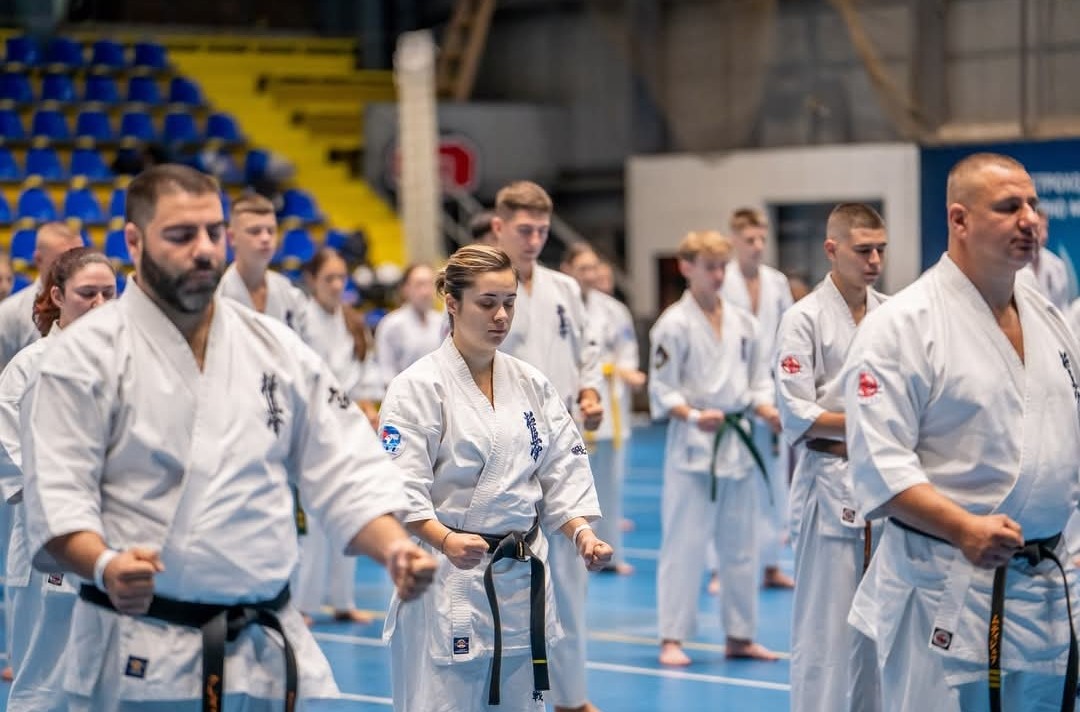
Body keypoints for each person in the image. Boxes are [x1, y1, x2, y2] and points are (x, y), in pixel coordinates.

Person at [19, 164, 436, 711]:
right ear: (133, 240)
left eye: (214, 232)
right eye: (181, 235)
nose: (204, 249)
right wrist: (103, 564)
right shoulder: (82, 358)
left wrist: (395, 548)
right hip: (140, 651)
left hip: (262, 647)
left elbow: (345, 467)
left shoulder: (275, 347)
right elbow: (55, 499)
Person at [843, 153, 1080, 710]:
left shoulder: (1050, 317)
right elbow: (880, 464)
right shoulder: (902, 326)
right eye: (1008, 206)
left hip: (1043, 587)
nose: (1030, 219)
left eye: (1033, 205)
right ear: (959, 220)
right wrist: (965, 528)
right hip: (943, 585)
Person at [380, 244, 612, 712]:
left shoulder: (531, 382)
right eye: (488, 303)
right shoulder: (417, 388)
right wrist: (444, 539)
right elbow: (399, 488)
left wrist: (582, 533)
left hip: (521, 573)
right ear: (453, 302)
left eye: (509, 302)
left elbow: (561, 466)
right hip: (452, 576)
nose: (501, 315)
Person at [492, 180, 604, 712]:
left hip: (562, 443)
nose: (534, 239)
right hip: (507, 451)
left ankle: (571, 696)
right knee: (516, 584)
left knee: (572, 578)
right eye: (524, 229)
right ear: (498, 227)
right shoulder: (485, 292)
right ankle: (518, 695)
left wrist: (590, 391)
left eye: (541, 229)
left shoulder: (563, 289)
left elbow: (588, 352)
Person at [649, 229, 781, 666]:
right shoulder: (673, 323)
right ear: (687, 268)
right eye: (711, 267)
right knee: (684, 543)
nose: (720, 275)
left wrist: (765, 407)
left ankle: (740, 635)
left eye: (723, 266)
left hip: (738, 443)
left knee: (741, 545)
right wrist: (689, 414)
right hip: (693, 445)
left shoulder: (745, 323)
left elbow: (760, 378)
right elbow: (662, 390)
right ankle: (672, 636)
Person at [775, 204, 887, 712]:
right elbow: (797, 412)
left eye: (880, 249)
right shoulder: (803, 320)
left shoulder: (893, 315)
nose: (875, 260)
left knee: (879, 625)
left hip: (884, 486)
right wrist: (870, 426)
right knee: (825, 628)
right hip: (827, 484)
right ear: (832, 249)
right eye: (863, 250)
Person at [0, 247, 116, 711]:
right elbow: (6, 448)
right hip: (47, 542)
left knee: (108, 681)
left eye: (109, 293)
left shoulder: (126, 365)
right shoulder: (28, 367)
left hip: (114, 543)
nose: (101, 304)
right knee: (43, 681)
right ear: (58, 295)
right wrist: (63, 503)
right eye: (88, 294)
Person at [292, 247, 385, 624]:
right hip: (313, 429)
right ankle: (304, 604)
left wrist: (369, 406)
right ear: (312, 281)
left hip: (350, 429)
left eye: (341, 278)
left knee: (351, 513)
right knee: (314, 523)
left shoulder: (352, 323)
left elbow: (366, 374)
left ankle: (344, 601)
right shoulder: (300, 320)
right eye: (328, 278)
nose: (336, 285)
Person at [714, 207, 794, 592]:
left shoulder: (777, 282)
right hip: (733, 394)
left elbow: (790, 336)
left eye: (763, 238)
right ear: (734, 241)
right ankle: (719, 569)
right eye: (750, 240)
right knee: (729, 483)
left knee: (773, 483)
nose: (758, 246)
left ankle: (770, 564)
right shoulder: (720, 281)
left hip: (773, 392)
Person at [561, 243, 644, 575]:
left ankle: (610, 553)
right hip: (570, 407)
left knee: (608, 485)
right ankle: (572, 556)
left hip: (607, 403)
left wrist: (623, 369)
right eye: (583, 268)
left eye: (594, 267)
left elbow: (627, 350)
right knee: (571, 486)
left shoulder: (613, 310)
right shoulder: (559, 306)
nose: (591, 274)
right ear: (567, 270)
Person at [217, 192, 309, 339]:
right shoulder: (218, 298)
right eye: (255, 231)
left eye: (271, 231)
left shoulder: (289, 292)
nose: (266, 238)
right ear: (231, 238)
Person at [0, 222, 83, 369]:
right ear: (38, 260)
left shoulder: (93, 308)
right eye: (62, 259)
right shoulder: (9, 313)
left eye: (80, 258)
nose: (73, 267)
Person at [374, 262, 446, 387]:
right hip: (404, 396)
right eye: (419, 285)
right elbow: (386, 372)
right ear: (405, 289)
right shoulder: (391, 324)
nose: (425, 292)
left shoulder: (441, 322)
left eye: (430, 284)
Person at [1018, 208, 1072, 310]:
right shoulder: (1015, 265)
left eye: (1046, 228)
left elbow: (1063, 309)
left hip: (1052, 323)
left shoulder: (1057, 265)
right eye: (1039, 229)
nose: (1044, 235)